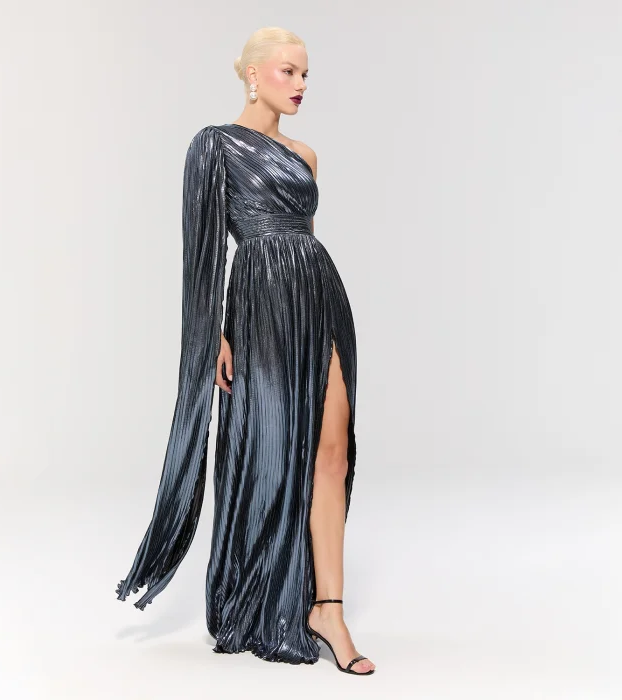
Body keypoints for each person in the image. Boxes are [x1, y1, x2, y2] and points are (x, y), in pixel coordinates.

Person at [116, 26, 375, 676]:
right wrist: (214, 335)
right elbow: (202, 253)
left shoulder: (306, 155)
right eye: (289, 71)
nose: (301, 85)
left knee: (333, 450)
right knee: (272, 447)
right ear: (253, 74)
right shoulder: (213, 146)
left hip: (319, 295)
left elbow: (304, 235)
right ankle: (261, 589)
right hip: (259, 306)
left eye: (306, 74)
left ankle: (329, 609)